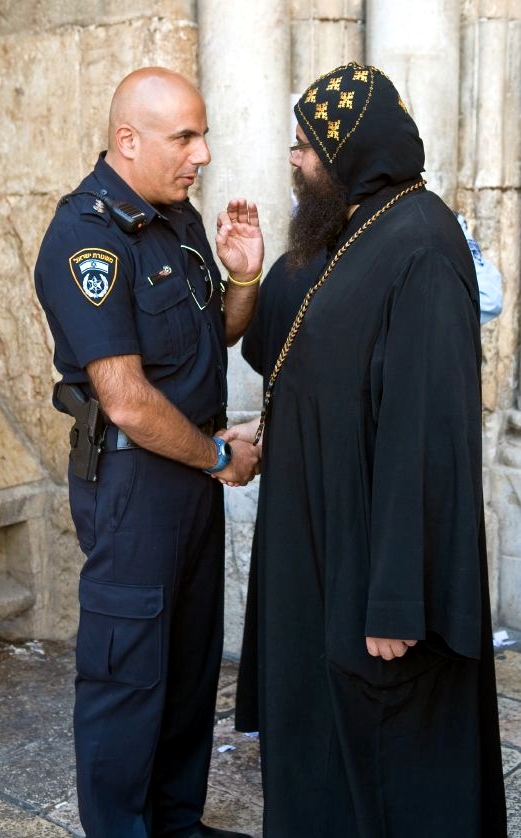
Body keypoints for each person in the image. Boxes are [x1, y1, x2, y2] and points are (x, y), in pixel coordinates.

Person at [224, 63, 508, 837]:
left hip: (372, 576)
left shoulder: (418, 246)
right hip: (323, 549)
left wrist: (397, 598)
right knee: (323, 756)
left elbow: (426, 437)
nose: (293, 159)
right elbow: (287, 348)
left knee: (394, 766)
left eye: (305, 147)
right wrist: (247, 276)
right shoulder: (351, 227)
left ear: (350, 150)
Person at [34, 67, 263, 838]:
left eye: (202, 136)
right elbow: (128, 398)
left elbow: (210, 339)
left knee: (190, 667)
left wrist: (244, 278)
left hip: (187, 476)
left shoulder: (174, 218)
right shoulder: (85, 236)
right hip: (135, 483)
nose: (200, 155)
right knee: (127, 675)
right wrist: (214, 457)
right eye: (184, 138)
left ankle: (175, 823)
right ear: (127, 141)